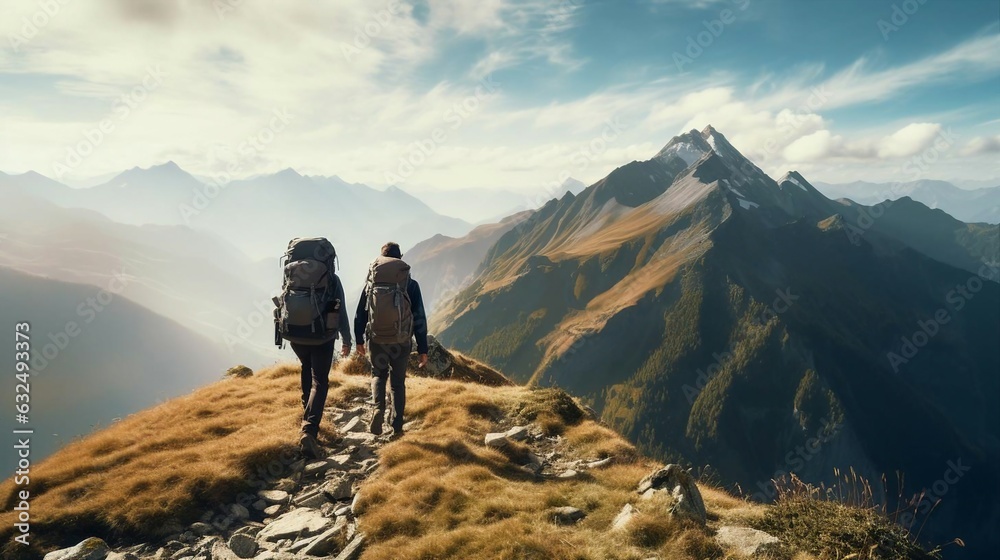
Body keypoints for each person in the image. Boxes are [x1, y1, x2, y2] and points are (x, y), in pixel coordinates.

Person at [354, 242, 428, 437]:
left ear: (381, 258)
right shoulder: (410, 284)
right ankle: (397, 427)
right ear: (400, 258)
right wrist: (423, 349)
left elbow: (360, 313)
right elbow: (419, 317)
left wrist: (358, 339)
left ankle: (378, 408)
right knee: (397, 383)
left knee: (378, 374)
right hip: (401, 341)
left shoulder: (371, 283)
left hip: (377, 339)